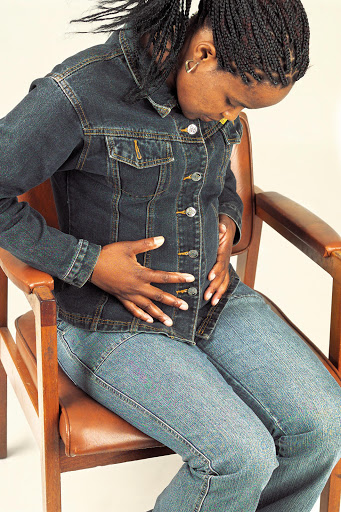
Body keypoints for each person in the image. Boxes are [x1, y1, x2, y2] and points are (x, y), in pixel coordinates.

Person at [1, 1, 341, 511]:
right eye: (232, 101)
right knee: (239, 457)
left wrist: (226, 221)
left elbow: (218, 177)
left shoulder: (208, 94)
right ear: (203, 54)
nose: (233, 117)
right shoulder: (77, 93)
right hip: (108, 319)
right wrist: (90, 263)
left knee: (322, 423)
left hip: (213, 299)